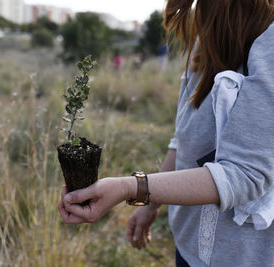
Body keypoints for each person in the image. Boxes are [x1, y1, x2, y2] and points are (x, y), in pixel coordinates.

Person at [58, 1, 274, 266]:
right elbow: (184, 136)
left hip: (240, 256)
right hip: (187, 246)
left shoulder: (270, 43)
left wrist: (131, 187)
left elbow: (246, 173)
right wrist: (150, 205)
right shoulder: (208, 39)